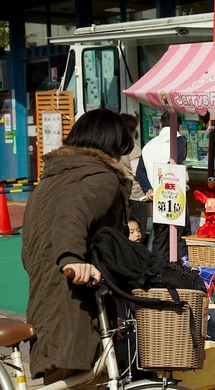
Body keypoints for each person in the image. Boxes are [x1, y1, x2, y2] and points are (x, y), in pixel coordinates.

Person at [21, 109, 134, 385]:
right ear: (110, 144)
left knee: (63, 378)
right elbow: (72, 215)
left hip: (47, 297)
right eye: (121, 148)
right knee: (83, 378)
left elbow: (31, 245)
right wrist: (71, 258)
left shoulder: (51, 180)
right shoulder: (103, 178)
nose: (121, 156)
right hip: (77, 305)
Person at [136, 111, 190, 263]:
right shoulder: (179, 140)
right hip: (175, 196)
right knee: (180, 235)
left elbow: (139, 171)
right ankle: (179, 270)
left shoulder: (148, 145)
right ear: (178, 125)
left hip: (157, 198)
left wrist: (149, 189)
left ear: (160, 124)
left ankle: (158, 270)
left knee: (160, 236)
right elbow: (174, 162)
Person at [120, 113, 148, 243]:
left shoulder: (117, 146)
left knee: (126, 230)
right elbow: (137, 171)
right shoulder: (132, 148)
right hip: (136, 194)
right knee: (138, 231)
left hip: (123, 193)